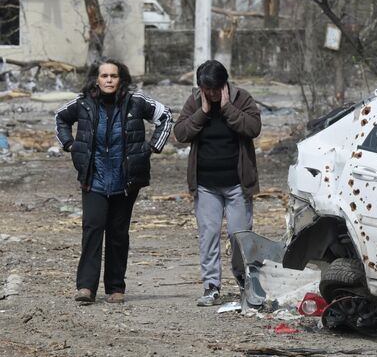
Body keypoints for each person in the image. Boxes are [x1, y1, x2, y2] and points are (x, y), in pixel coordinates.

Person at [55, 57, 173, 303]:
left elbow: (165, 116)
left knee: (118, 233)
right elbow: (60, 118)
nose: (109, 80)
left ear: (121, 79)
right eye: (104, 76)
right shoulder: (83, 103)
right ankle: (86, 288)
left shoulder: (136, 101)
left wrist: (152, 147)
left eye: (114, 76)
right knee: (93, 228)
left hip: (125, 179)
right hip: (93, 177)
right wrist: (69, 144)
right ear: (96, 79)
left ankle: (116, 288)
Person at [174, 60, 261, 306]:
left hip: (237, 185)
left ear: (224, 84)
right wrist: (202, 111)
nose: (211, 93)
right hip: (206, 184)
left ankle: (246, 282)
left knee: (239, 236)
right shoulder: (194, 101)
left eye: (216, 88)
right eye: (207, 88)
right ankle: (211, 286)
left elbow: (253, 128)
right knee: (209, 234)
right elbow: (180, 133)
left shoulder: (241, 98)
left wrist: (226, 108)